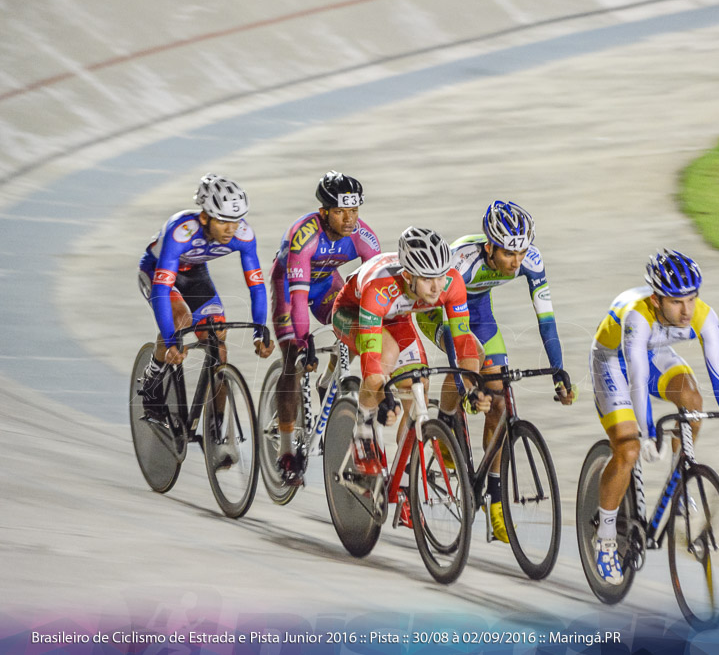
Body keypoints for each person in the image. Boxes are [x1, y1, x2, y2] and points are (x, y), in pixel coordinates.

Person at [415, 200, 576, 543]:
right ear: (490, 247)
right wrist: (468, 388)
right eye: (508, 254)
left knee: (501, 400)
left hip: (479, 311)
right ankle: (444, 425)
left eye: (521, 252)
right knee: (470, 357)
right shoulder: (462, 263)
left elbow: (546, 320)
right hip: (439, 311)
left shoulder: (530, 260)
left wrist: (559, 370)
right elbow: (458, 341)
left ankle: (497, 504)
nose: (516, 262)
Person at [590, 250, 719, 584]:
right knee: (628, 448)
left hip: (657, 352)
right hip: (613, 361)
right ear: (657, 299)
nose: (687, 310)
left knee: (693, 401)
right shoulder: (638, 315)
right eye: (677, 302)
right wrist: (648, 432)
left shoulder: (703, 316)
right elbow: (636, 377)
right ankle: (605, 538)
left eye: (692, 299)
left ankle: (679, 482)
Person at [331, 226, 491, 527]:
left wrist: (472, 387)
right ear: (408, 277)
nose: (437, 287)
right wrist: (381, 399)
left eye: (441, 275)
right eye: (428, 279)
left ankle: (404, 485)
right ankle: (362, 433)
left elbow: (463, 342)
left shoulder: (450, 283)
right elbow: (372, 360)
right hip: (353, 313)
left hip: (397, 315)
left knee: (418, 384)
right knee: (384, 361)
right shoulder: (380, 288)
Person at [137, 174, 274, 461]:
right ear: (204, 216)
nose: (230, 229)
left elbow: (257, 285)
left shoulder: (243, 235)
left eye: (236, 221)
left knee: (218, 341)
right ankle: (152, 377)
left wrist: (260, 330)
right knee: (179, 321)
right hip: (158, 273)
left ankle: (216, 431)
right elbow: (163, 288)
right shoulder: (180, 232)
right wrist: (173, 341)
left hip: (195, 275)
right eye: (223, 221)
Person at [269, 171, 380, 486]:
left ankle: (330, 378)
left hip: (327, 285)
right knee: (293, 356)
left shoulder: (362, 235)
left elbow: (377, 284)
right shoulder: (304, 236)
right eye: (340, 211)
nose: (349, 219)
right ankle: (287, 451)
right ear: (324, 211)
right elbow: (298, 298)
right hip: (291, 287)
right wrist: (303, 341)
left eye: (354, 211)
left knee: (357, 325)